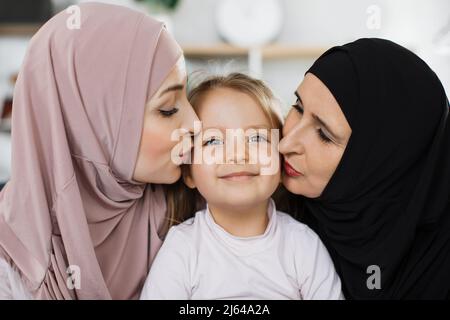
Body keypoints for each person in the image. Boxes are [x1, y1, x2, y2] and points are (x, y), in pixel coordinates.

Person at [0, 3, 198, 299]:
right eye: (168, 109)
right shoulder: (11, 265)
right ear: (91, 126)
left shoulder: (195, 211)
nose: (196, 122)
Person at [140, 73, 344, 300]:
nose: (238, 154)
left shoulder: (303, 245)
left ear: (281, 163)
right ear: (189, 173)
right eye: (213, 141)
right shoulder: (182, 247)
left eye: (256, 138)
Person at [279, 38, 450, 299]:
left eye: (324, 135)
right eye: (298, 107)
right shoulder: (266, 206)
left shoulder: (437, 266)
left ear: (382, 166)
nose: (286, 143)